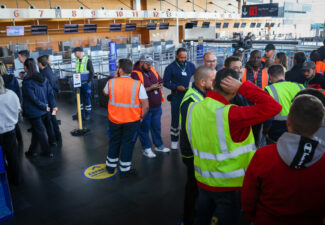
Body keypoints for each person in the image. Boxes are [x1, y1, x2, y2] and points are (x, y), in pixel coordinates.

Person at [186, 68, 281, 225]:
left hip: (203, 181)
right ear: (234, 91)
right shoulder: (232, 114)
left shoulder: (193, 108)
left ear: (213, 84)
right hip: (229, 187)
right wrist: (243, 87)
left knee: (202, 220)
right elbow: (274, 107)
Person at [242, 94, 325, 225]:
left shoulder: (263, 155)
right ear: (320, 125)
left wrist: (252, 217)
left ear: (288, 121)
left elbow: (248, 197)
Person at [179, 65, 216, 225]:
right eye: (213, 80)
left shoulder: (202, 94)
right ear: (202, 82)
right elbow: (189, 131)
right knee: (193, 188)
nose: (215, 82)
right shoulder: (191, 100)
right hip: (193, 153)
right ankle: (188, 219)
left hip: (199, 152)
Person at [103, 59, 149, 176]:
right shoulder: (138, 85)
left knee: (114, 141)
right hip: (132, 121)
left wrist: (114, 77)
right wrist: (141, 117)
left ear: (120, 70)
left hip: (114, 120)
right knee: (127, 144)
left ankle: (110, 166)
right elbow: (146, 105)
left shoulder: (111, 82)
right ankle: (124, 170)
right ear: (131, 70)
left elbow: (105, 92)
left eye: (118, 68)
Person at [131, 54, 169, 158]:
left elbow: (160, 80)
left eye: (151, 64)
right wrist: (150, 88)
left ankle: (159, 145)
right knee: (144, 129)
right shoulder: (135, 74)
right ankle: (146, 148)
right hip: (144, 107)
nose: (150, 66)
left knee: (156, 127)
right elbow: (136, 90)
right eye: (148, 64)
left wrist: (160, 84)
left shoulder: (151, 70)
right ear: (141, 63)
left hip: (156, 106)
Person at [22, 58, 56, 158]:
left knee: (40, 132)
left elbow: (33, 99)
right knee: (37, 131)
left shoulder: (27, 83)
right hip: (45, 110)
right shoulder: (43, 78)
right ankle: (32, 151)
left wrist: (43, 106)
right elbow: (50, 93)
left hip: (35, 112)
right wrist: (49, 106)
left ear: (26, 68)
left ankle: (48, 152)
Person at [163, 48, 196, 150]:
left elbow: (195, 79)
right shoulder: (170, 67)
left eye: (185, 57)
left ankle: (189, 140)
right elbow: (166, 82)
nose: (183, 59)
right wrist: (176, 87)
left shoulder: (191, 65)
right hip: (177, 96)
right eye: (181, 57)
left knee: (189, 118)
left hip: (189, 96)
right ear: (177, 56)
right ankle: (174, 140)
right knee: (175, 119)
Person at [263, 65, 305, 143]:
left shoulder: (269, 89)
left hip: (277, 132)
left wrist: (265, 131)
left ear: (270, 76)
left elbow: (267, 116)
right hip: (299, 128)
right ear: (284, 74)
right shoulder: (300, 86)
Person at [0, 76, 22, 185]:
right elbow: (18, 109)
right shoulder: (12, 94)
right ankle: (17, 179)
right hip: (10, 131)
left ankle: (4, 181)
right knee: (13, 157)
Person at [38, 55, 62, 144]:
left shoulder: (44, 73)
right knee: (53, 117)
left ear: (40, 63)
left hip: (49, 100)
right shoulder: (49, 70)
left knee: (52, 118)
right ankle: (58, 135)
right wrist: (57, 89)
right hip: (52, 100)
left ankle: (54, 138)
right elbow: (53, 82)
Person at [0, 62, 23, 146]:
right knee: (15, 123)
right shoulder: (12, 78)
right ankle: (20, 140)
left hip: (3, 106)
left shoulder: (0, 81)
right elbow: (18, 91)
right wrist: (19, 103)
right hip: (14, 103)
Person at [73, 47, 94, 121]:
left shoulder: (87, 60)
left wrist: (88, 82)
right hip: (78, 83)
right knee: (79, 99)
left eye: (75, 52)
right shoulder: (77, 60)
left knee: (87, 99)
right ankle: (80, 113)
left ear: (79, 52)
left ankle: (88, 114)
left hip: (86, 84)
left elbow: (92, 72)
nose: (74, 54)